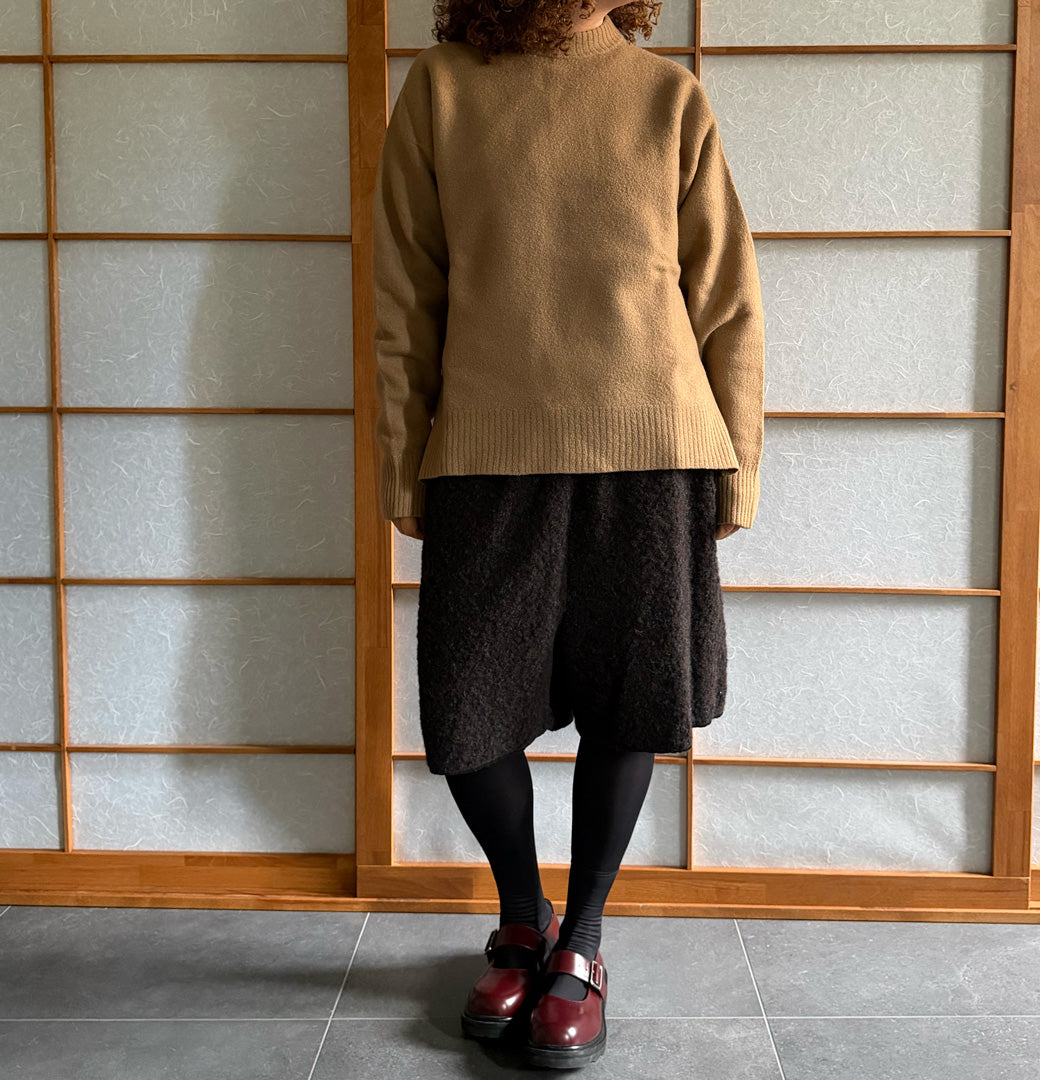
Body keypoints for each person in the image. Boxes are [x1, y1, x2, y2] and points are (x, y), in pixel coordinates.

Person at [371, 0, 765, 1067]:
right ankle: (522, 916)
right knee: (467, 704)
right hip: (486, 446)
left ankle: (581, 940)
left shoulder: (667, 95)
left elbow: (726, 294)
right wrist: (401, 457)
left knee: (632, 695)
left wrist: (738, 458)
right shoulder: (441, 87)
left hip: (653, 449)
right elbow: (405, 292)